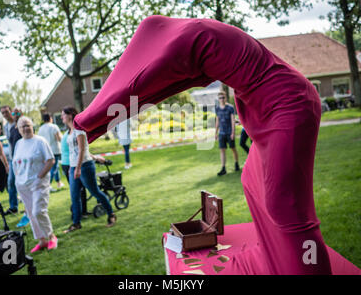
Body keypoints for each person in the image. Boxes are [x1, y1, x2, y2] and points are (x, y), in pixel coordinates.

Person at [72, 16, 332, 274]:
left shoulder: (186, 42)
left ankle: (310, 269)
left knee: (285, 205)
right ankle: (278, 259)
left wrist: (87, 121)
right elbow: (158, 88)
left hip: (288, 104)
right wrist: (98, 124)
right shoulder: (189, 37)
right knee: (252, 182)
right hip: (262, 106)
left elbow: (137, 86)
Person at [61, 106, 117, 233]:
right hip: (74, 167)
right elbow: (74, 152)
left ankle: (111, 214)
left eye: (63, 114)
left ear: (70, 115)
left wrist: (78, 168)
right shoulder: (68, 132)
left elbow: (81, 150)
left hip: (85, 166)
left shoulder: (79, 131)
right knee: (74, 196)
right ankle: (76, 223)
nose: (61, 117)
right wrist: (73, 167)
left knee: (95, 192)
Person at [13, 116, 58, 253]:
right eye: (23, 126)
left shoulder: (40, 141)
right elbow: (15, 163)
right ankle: (42, 240)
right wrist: (17, 179)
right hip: (22, 184)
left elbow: (50, 160)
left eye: (28, 125)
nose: (26, 128)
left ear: (32, 126)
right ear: (19, 129)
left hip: (38, 182)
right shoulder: (19, 143)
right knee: (31, 214)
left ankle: (51, 236)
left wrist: (40, 176)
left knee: (38, 211)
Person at [215, 91, 240, 175]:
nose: (221, 99)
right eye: (220, 98)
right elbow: (217, 121)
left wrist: (233, 132)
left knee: (233, 148)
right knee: (222, 150)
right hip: (221, 133)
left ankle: (236, 163)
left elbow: (233, 121)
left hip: (229, 132)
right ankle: (223, 168)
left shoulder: (230, 108)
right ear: (218, 99)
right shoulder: (217, 108)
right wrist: (216, 132)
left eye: (222, 97)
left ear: (225, 98)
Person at [0, 105, 19, 214]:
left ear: (11, 111)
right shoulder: (6, 126)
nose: (5, 115)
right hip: (12, 159)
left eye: (6, 112)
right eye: (3, 113)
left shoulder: (18, 123)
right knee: (10, 182)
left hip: (21, 158)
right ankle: (13, 207)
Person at [38, 113, 64, 191]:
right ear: (50, 118)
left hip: (45, 151)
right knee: (54, 168)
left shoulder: (40, 128)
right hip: (54, 150)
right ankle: (47, 185)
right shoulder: (54, 127)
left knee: (54, 167)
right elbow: (59, 138)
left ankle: (58, 182)